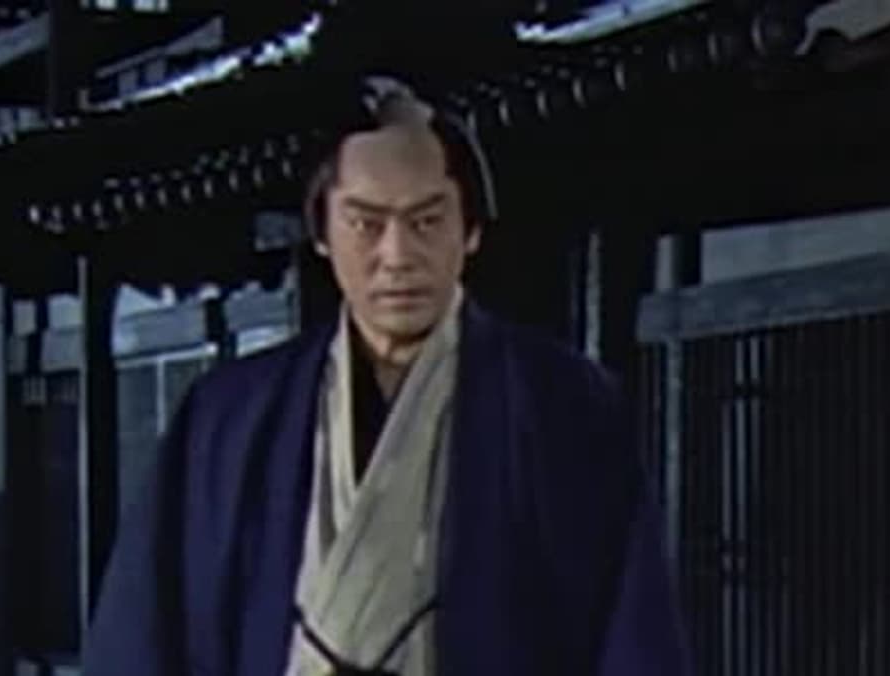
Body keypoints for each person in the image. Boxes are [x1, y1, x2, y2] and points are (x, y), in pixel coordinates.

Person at [82, 76, 690, 676]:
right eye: (366, 224)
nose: (397, 257)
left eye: (426, 222)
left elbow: (632, 635)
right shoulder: (229, 416)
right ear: (322, 233)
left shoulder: (564, 404)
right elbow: (142, 633)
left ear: (471, 230)